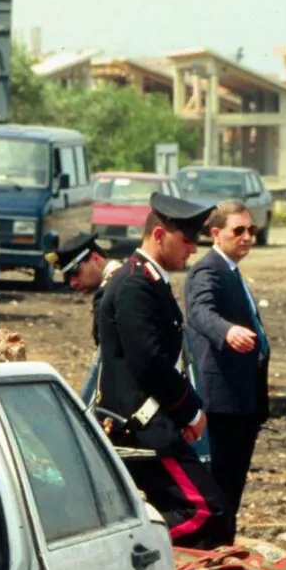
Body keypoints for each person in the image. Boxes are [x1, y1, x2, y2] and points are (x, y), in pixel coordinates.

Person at [93, 192, 228, 548]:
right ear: (158, 235)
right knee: (204, 511)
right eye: (185, 240)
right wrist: (189, 410)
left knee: (187, 508)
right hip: (140, 426)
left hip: (154, 421)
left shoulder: (149, 280)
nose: (192, 249)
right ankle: (126, 552)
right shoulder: (135, 284)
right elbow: (149, 362)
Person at [184, 199, 269, 542]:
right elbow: (200, 312)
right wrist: (226, 332)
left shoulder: (231, 270)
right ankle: (213, 557)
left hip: (243, 401)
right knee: (219, 488)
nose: (247, 237)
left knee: (232, 489)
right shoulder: (207, 270)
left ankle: (224, 552)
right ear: (216, 234)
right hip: (222, 402)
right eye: (239, 230)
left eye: (252, 230)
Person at [45, 232, 110, 404]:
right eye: (68, 278)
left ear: (95, 259)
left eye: (76, 273)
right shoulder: (112, 288)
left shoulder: (111, 293)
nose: (72, 283)